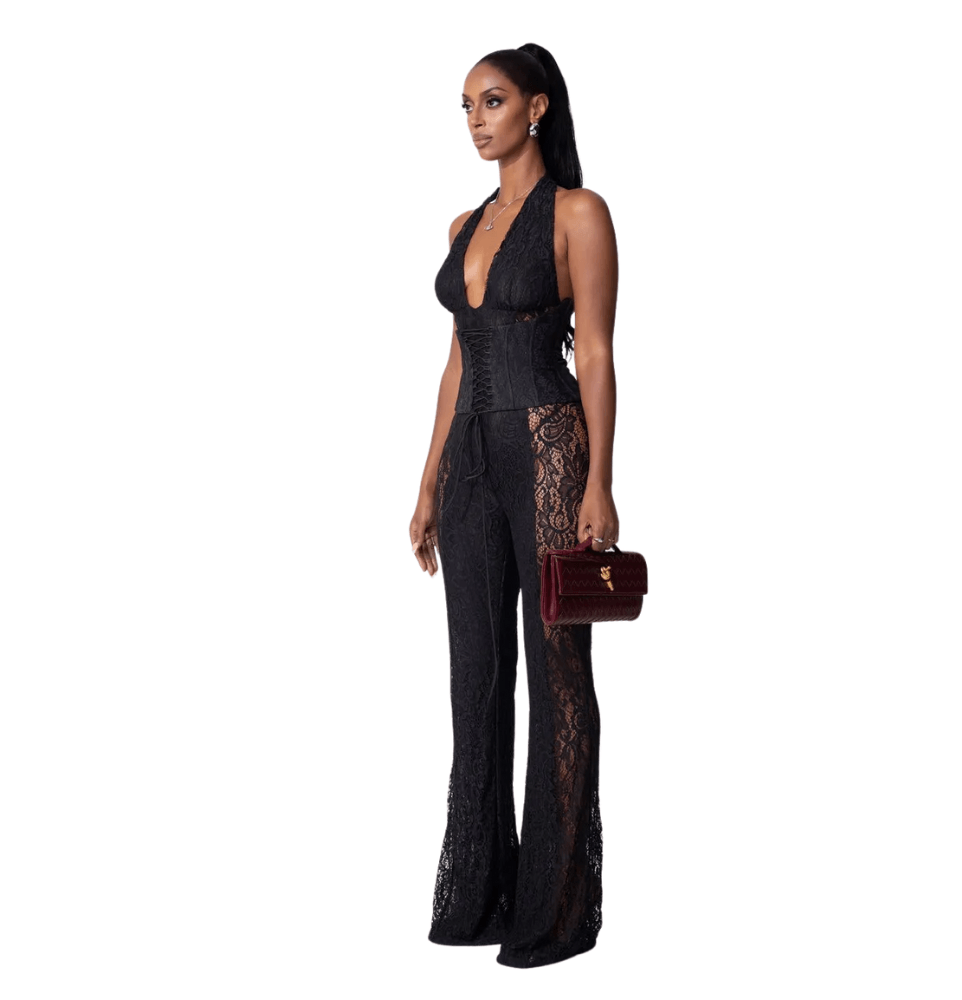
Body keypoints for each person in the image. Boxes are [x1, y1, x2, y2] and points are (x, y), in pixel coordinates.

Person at [409, 43, 620, 969]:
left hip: (547, 448)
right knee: (476, 677)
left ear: (536, 107)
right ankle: (482, 894)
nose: (475, 121)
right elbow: (458, 359)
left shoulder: (578, 212)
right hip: (469, 465)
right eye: (465, 106)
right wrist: (426, 482)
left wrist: (599, 479)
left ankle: (556, 908)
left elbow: (598, 351)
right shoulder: (465, 223)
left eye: (491, 101)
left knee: (558, 669)